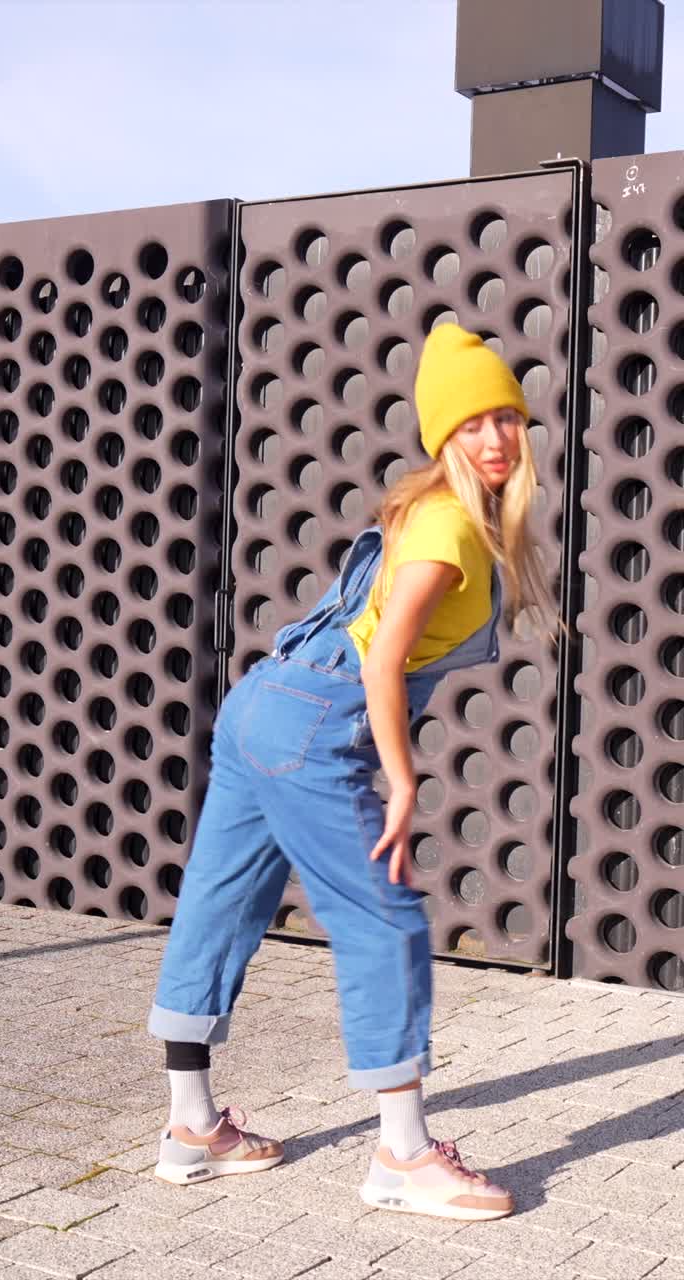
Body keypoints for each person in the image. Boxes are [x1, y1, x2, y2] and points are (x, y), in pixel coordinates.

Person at [148, 324, 553, 1221]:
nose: (495, 437)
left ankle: (192, 1128)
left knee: (221, 904)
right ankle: (403, 1157)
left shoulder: (423, 505)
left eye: (506, 418)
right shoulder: (451, 524)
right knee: (384, 919)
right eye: (472, 423)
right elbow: (383, 661)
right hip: (315, 719)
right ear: (442, 434)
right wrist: (402, 783)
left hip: (264, 700)